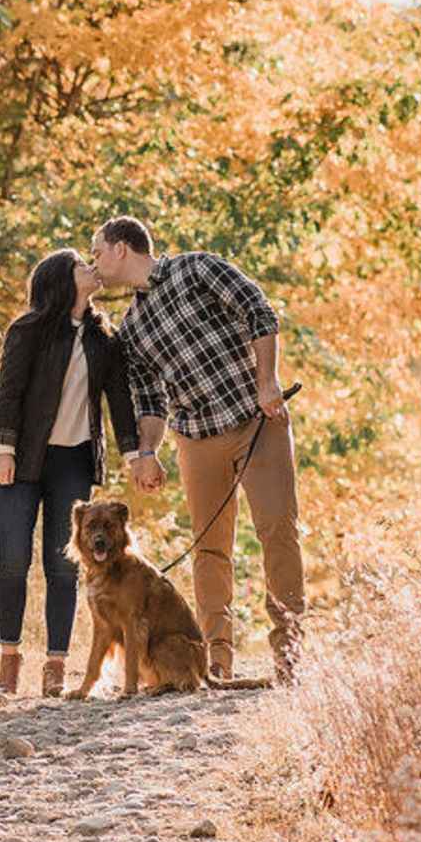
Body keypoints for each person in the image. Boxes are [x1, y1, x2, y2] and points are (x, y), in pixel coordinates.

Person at [88, 215, 303, 685]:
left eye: (97, 251)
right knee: (210, 549)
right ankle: (217, 663)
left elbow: (259, 311)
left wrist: (268, 381)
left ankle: (290, 656)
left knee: (278, 531)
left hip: (257, 420)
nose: (94, 262)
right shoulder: (132, 328)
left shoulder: (197, 269)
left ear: (121, 248)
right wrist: (147, 452)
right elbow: (149, 401)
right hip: (197, 435)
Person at [0, 245, 138, 698]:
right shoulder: (28, 330)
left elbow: (120, 401)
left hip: (72, 460)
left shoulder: (103, 339)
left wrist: (134, 454)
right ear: (61, 280)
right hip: (20, 455)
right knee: (13, 559)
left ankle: (56, 665)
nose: (92, 268)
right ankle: (8, 661)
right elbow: (8, 393)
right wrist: (5, 448)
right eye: (81, 265)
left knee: (63, 565)